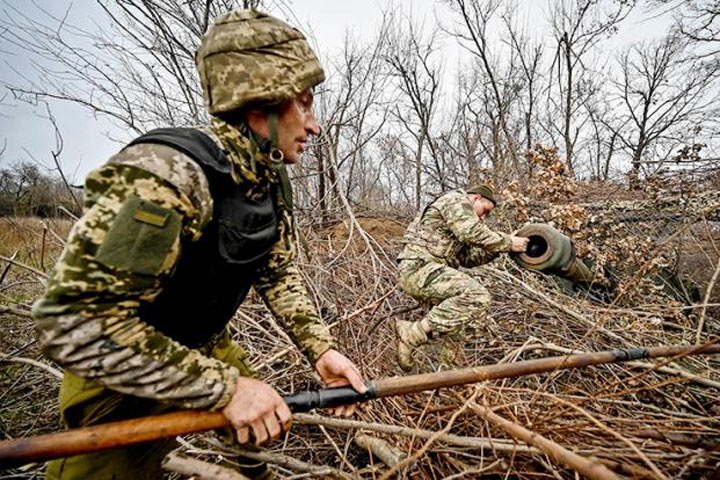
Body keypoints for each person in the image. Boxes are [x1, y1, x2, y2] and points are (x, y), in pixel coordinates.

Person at [32, 10, 365, 480]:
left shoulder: (265, 177)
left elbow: (276, 271)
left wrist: (320, 349)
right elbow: (75, 323)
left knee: (257, 439)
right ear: (261, 103)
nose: (314, 125)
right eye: (304, 104)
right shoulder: (164, 175)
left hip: (204, 340)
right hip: (125, 370)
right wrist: (227, 390)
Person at [395, 185, 529, 371]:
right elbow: (471, 232)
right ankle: (412, 333)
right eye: (485, 210)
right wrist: (507, 242)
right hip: (418, 268)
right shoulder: (456, 200)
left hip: (428, 271)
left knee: (455, 331)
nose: (483, 217)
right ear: (475, 198)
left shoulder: (457, 223)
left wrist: (502, 249)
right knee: (476, 295)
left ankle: (451, 380)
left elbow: (468, 259)